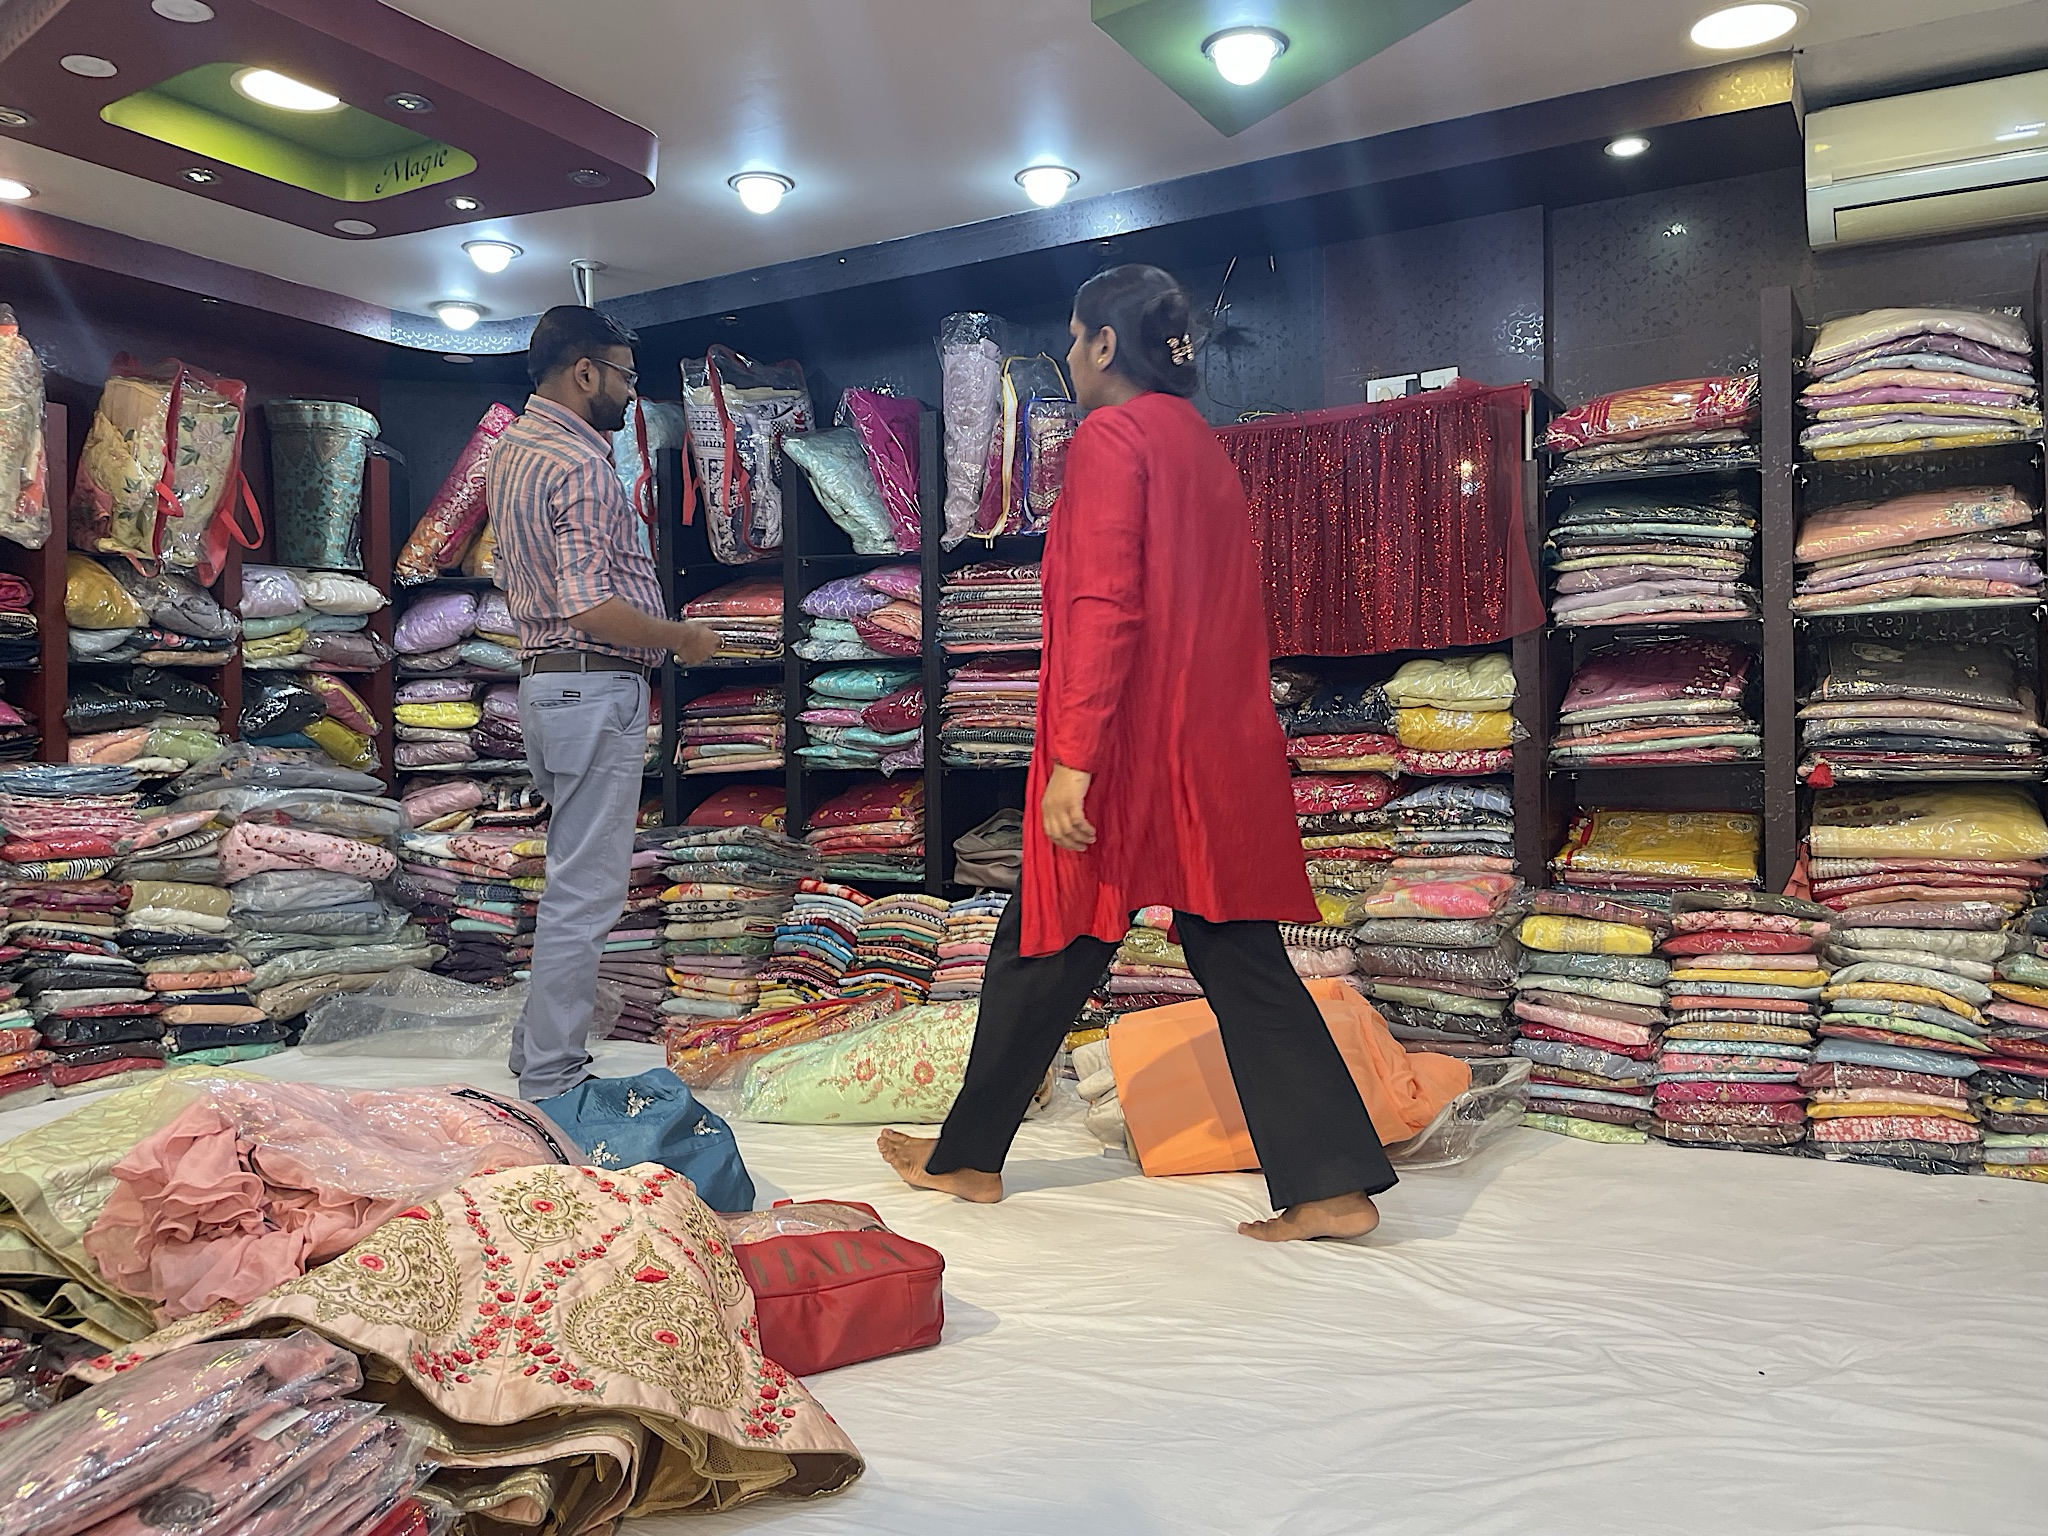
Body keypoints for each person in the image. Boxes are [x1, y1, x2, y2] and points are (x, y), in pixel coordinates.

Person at [880, 265, 1397, 1242]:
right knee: (1132, 945)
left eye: (1076, 340)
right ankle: (1322, 1181)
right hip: (1203, 749)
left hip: (1127, 750)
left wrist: (1071, 755)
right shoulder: (1194, 444)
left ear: (1106, 344)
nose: (1071, 357)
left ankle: (967, 1162)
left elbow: (1103, 604)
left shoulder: (1112, 437)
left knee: (1050, 934)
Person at [488, 305, 719, 1102]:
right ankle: (552, 1076)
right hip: (591, 679)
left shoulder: (511, 452)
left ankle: (533, 1050)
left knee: (569, 878)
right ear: (584, 372)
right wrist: (680, 639)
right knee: (586, 891)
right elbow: (590, 605)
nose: (628, 394)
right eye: (624, 376)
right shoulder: (582, 465)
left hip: (545, 687)